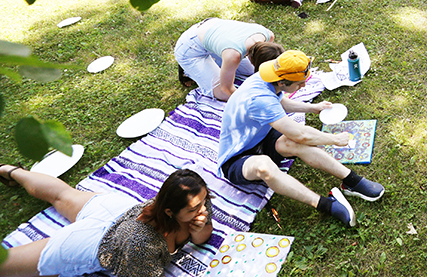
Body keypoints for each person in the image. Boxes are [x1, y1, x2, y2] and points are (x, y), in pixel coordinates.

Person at [217, 50, 385, 227]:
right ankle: (326, 205)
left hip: (261, 139)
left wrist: (313, 108)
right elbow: (301, 134)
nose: (303, 87)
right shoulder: (258, 99)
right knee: (265, 165)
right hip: (237, 160)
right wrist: (334, 139)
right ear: (282, 81)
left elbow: (279, 102)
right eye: (299, 85)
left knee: (292, 142)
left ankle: (351, 180)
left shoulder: (268, 78)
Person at [0, 166, 212, 277]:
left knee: (63, 195)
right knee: (6, 266)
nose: (202, 209)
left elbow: (203, 237)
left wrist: (199, 229)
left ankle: (11, 171)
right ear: (169, 211)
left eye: (203, 202)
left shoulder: (194, 197)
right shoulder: (142, 245)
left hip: (117, 209)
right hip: (93, 242)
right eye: (193, 209)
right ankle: (8, 170)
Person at [174, 18, 284, 101]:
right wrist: (255, 100)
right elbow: (226, 89)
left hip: (216, 35)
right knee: (221, 94)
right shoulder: (233, 55)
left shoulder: (269, 36)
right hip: (190, 47)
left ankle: (215, 61)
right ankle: (187, 71)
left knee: (249, 71)